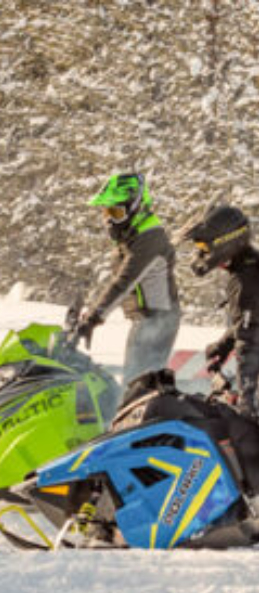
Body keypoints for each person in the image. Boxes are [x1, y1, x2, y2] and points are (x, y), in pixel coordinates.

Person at [72, 173, 181, 386]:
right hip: (147, 319)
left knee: (137, 385)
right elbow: (115, 278)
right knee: (134, 384)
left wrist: (94, 317)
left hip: (158, 320)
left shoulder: (149, 239)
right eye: (105, 212)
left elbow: (124, 282)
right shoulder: (133, 234)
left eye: (116, 212)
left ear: (136, 208)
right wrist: (91, 309)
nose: (109, 220)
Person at [185, 204, 259, 417]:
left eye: (204, 246)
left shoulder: (246, 280)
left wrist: (248, 402)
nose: (201, 253)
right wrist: (224, 345)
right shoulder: (249, 266)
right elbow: (249, 323)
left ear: (225, 242)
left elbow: (250, 344)